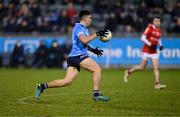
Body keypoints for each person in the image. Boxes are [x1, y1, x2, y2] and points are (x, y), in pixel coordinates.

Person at [35, 10, 109, 101]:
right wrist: (97, 34)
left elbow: (83, 43)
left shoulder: (85, 29)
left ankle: (42, 86)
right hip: (78, 56)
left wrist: (93, 50)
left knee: (67, 81)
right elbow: (84, 40)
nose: (91, 20)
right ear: (85, 18)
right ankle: (96, 95)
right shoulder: (79, 28)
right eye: (90, 18)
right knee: (97, 69)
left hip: (74, 57)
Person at [123, 16, 166, 89]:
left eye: (158, 21)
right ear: (153, 22)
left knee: (156, 67)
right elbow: (142, 38)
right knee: (141, 67)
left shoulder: (159, 30)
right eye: (155, 21)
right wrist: (150, 44)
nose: (157, 22)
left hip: (154, 51)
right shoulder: (150, 28)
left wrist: (161, 45)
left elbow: (158, 39)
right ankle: (128, 71)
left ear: (160, 22)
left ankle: (157, 84)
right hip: (146, 50)